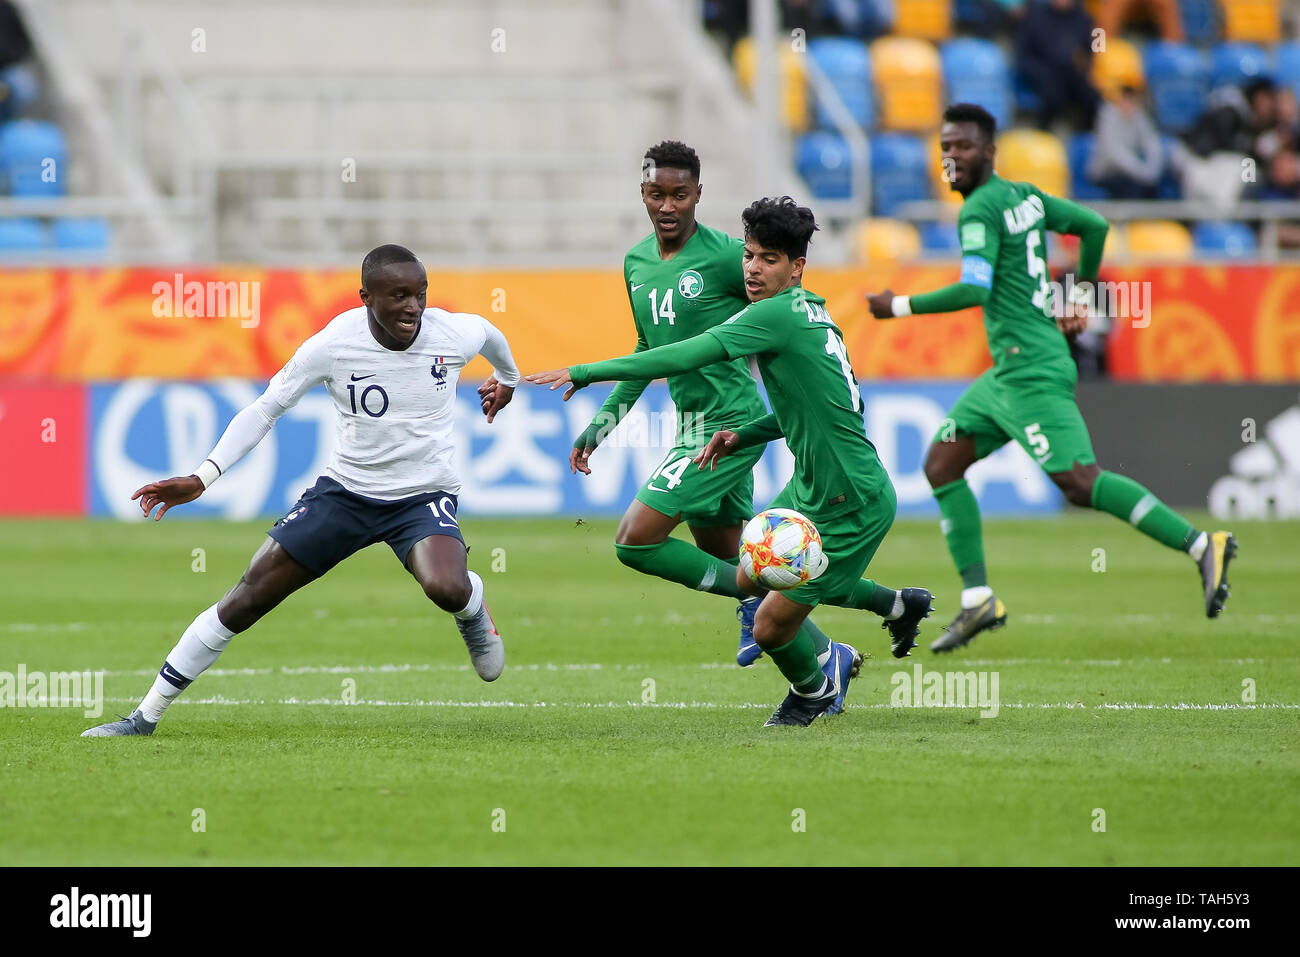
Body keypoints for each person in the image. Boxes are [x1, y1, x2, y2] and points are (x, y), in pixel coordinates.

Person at [82, 245, 520, 737]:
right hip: (346, 494)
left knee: (446, 587)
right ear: (365, 297)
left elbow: (489, 333)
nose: (413, 307)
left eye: (420, 294)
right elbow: (265, 409)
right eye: (398, 295)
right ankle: (144, 718)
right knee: (246, 598)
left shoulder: (450, 334)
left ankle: (472, 605)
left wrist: (509, 380)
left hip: (423, 496)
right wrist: (203, 476)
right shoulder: (332, 345)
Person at [529, 198, 933, 728]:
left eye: (768, 259)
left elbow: (683, 354)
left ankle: (815, 688)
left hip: (851, 499)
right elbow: (813, 409)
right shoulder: (810, 310)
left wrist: (584, 371)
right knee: (753, 576)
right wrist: (743, 434)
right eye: (749, 256)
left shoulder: (773, 315)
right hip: (810, 487)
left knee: (769, 624)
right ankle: (898, 606)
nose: (752, 268)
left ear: (796, 267)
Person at [866, 103, 1236, 654]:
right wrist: (1079, 294)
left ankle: (1201, 543)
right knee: (942, 464)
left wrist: (897, 306)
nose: (952, 156)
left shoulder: (980, 211)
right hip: (1007, 373)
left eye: (963, 146)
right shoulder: (1025, 197)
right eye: (945, 147)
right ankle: (978, 600)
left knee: (1080, 483)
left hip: (1031, 371)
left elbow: (974, 289)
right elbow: (1092, 225)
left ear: (989, 151)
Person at [482, 140, 829, 669]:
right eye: (656, 194)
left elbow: (784, 303)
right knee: (742, 563)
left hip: (729, 425)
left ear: (697, 195)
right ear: (642, 194)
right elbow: (650, 350)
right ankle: (836, 648)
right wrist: (599, 427)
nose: (667, 206)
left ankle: (788, 615)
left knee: (637, 539)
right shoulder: (637, 261)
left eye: (679, 195)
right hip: (690, 423)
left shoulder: (727, 257)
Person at [1015, 0, 1102, 131]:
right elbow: (1023, 56)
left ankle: (1086, 137)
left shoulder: (1084, 19)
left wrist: (1086, 60)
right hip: (1045, 72)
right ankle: (1044, 135)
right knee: (1052, 95)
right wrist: (1040, 72)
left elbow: (1096, 49)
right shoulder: (1035, 18)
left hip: (1074, 73)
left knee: (1093, 96)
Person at [1086, 84, 1163, 199]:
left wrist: (1152, 171)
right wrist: (1141, 172)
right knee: (1133, 189)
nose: (1129, 106)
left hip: (1130, 175)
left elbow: (1152, 143)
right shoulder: (1108, 117)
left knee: (1152, 188)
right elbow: (1114, 153)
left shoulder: (1138, 117)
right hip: (1107, 173)